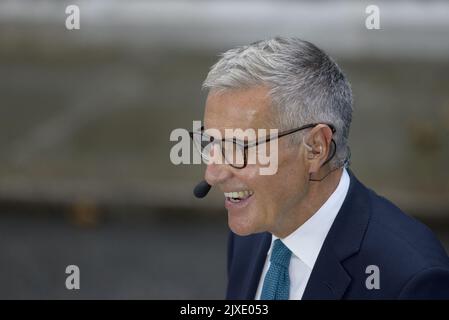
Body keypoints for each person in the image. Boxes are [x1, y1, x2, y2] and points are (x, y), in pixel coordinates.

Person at [193, 36, 449, 299]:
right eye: (211, 142)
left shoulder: (411, 281)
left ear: (316, 148)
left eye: (240, 147)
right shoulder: (252, 229)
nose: (212, 174)